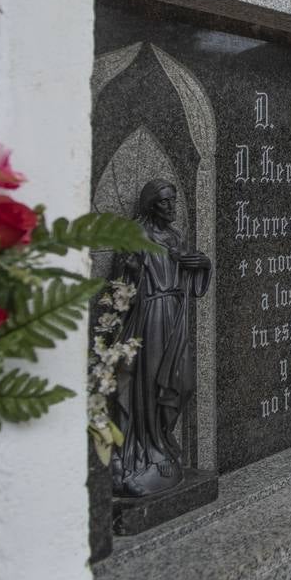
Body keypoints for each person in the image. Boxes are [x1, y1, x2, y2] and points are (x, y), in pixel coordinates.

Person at [111, 178, 212, 498]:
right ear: (151, 204)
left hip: (175, 314)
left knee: (182, 383)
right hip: (150, 315)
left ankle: (162, 441)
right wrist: (131, 269)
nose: (172, 207)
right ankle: (149, 451)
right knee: (151, 382)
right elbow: (120, 286)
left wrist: (201, 264)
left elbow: (189, 275)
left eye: (174, 200)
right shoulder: (137, 235)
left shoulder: (176, 236)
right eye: (165, 202)